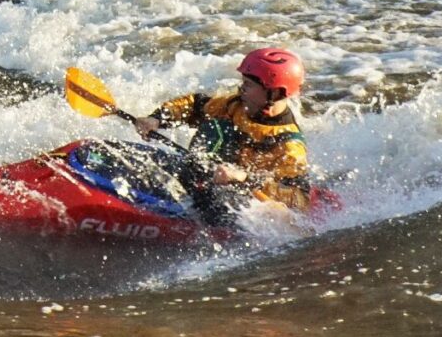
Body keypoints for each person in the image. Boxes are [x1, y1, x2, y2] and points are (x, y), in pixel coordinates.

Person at [134, 46, 313, 215]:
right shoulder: (236, 105)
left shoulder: (290, 146)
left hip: (241, 201)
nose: (241, 88)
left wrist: (244, 177)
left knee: (223, 140)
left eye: (248, 84)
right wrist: (157, 118)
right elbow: (195, 106)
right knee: (217, 127)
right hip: (206, 176)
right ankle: (190, 181)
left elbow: (299, 199)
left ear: (273, 94)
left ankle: (192, 209)